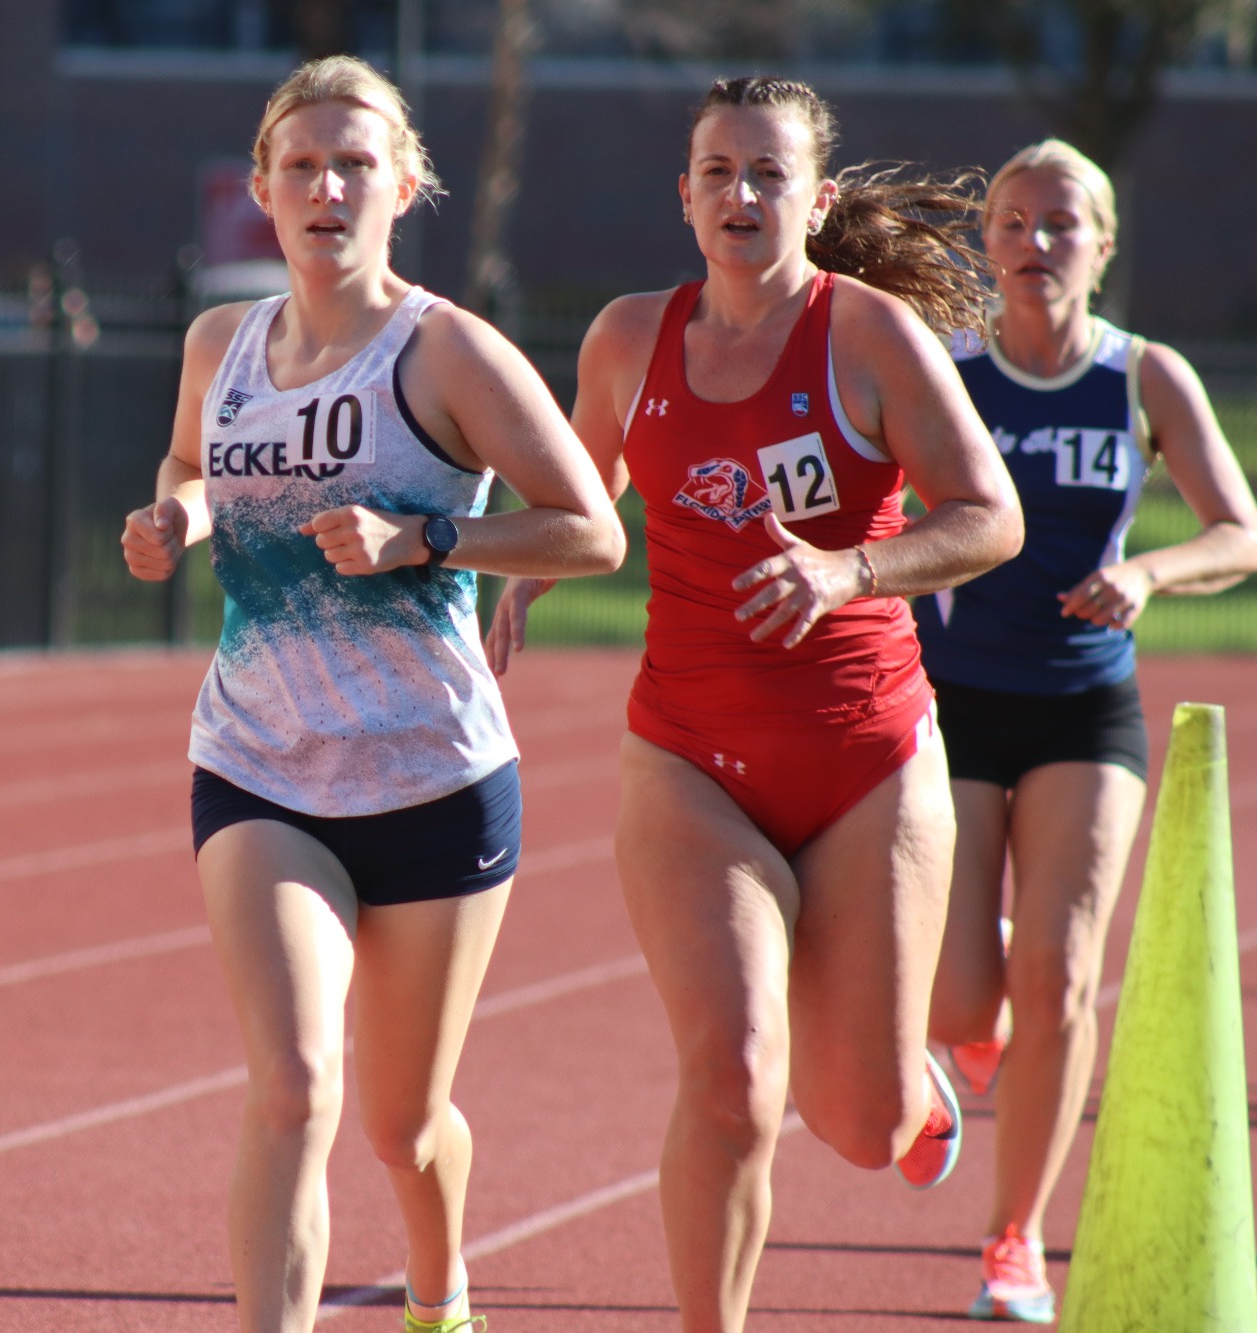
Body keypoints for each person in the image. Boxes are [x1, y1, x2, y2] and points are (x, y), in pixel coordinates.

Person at [488, 76, 1024, 1333]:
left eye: (766, 174)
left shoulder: (869, 337)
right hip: (687, 761)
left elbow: (988, 516)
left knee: (855, 1123)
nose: (740, 194)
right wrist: (514, 576)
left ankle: (912, 1090)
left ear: (813, 197)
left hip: (863, 760)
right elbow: (582, 499)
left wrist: (847, 568)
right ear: (683, 196)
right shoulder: (627, 337)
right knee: (729, 1081)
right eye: (717, 173)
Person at [121, 56, 625, 1333]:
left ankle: (440, 1285)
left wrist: (428, 541)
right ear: (261, 190)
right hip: (258, 761)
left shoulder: (445, 351)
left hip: (431, 779)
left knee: (402, 1126)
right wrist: (175, 515)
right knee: (292, 1084)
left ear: (403, 186)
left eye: (353, 165)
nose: (325, 187)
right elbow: (192, 456)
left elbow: (589, 531)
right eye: (300, 165)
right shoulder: (218, 343)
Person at [919, 140, 1257, 1323]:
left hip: (1081, 699)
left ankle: (1011, 1241)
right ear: (987, 243)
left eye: (1059, 224)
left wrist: (1149, 574)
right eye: (1009, 222)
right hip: (952, 697)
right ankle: (975, 1005)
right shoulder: (946, 371)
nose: (1032, 243)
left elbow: (1239, 529)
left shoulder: (1141, 378)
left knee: (1060, 976)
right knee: (963, 1004)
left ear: (1100, 246)